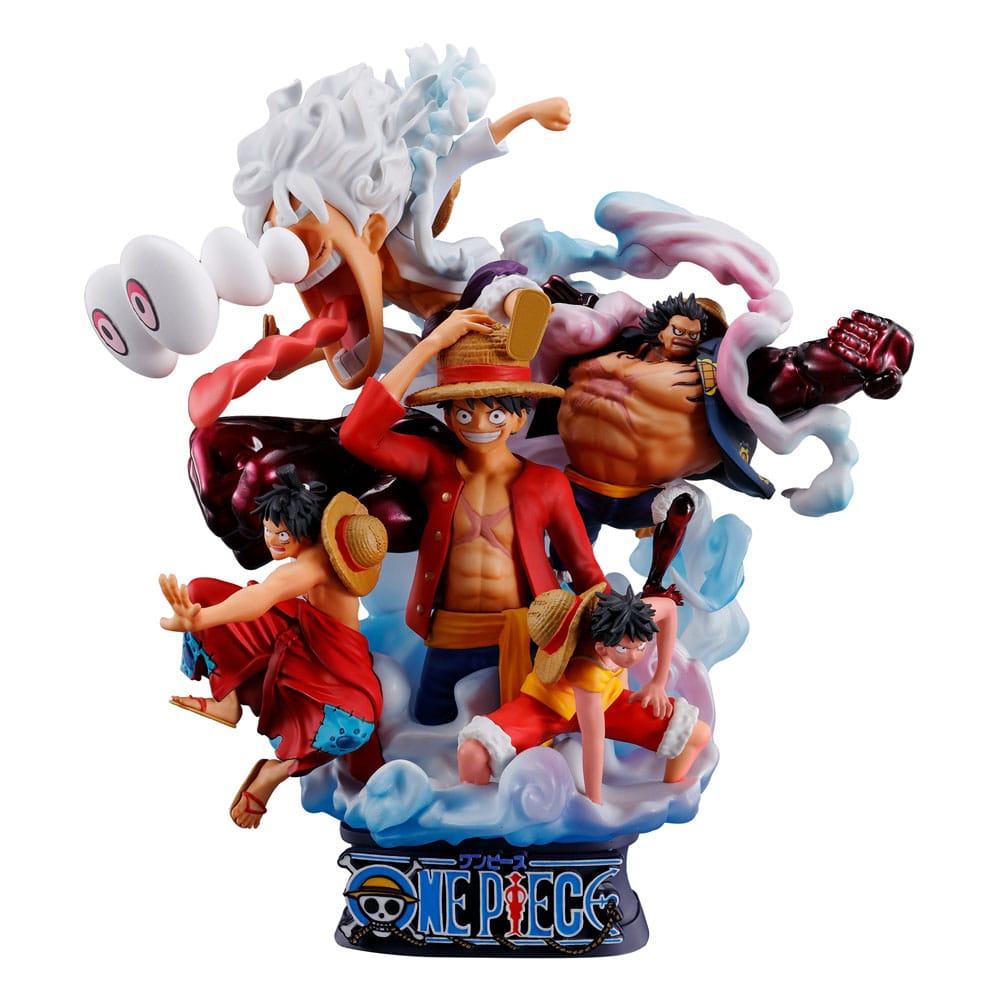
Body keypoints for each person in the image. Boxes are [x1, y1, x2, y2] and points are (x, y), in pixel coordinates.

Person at [338, 298, 605, 725]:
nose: (479, 426)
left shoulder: (546, 482)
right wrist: (431, 345)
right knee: (428, 728)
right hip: (448, 637)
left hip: (525, 638)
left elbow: (585, 570)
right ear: (447, 417)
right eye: (464, 413)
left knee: (522, 740)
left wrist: (612, 631)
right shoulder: (434, 467)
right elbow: (358, 434)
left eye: (496, 414)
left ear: (519, 418)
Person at [552, 292, 912, 544]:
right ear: (662, 327)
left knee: (681, 507)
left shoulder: (714, 377)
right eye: (681, 330)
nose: (688, 338)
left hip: (635, 495)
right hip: (569, 477)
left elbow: (789, 373)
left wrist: (847, 370)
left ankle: (656, 588)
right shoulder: (621, 343)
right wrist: (579, 305)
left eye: (697, 334)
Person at [159, 468, 388, 827]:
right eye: (268, 529)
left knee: (351, 729)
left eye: (282, 534)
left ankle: (275, 772)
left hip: (337, 665)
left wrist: (200, 620)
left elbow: (262, 597)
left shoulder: (311, 566)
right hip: (303, 639)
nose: (272, 541)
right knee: (201, 591)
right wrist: (202, 613)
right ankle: (227, 700)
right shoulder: (311, 552)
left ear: (307, 532)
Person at [457, 585, 711, 804]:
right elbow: (593, 738)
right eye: (624, 649)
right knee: (474, 752)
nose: (634, 657)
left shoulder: (631, 615)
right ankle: (476, 814)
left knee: (694, 733)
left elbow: (669, 608)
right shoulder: (586, 670)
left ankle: (670, 793)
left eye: (641, 646)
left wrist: (658, 681)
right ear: (601, 647)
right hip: (545, 707)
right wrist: (594, 801)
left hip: (608, 700)